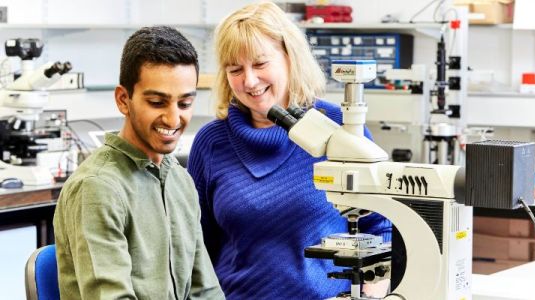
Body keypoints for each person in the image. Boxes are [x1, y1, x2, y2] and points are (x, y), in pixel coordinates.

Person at [187, 2, 391, 299]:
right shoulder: (211, 142)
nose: (250, 81)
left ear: (289, 57)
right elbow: (197, 248)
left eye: (259, 64)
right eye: (235, 69)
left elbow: (380, 226)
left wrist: (372, 294)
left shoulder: (341, 131)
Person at [53, 26, 224, 299]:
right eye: (157, 102)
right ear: (123, 100)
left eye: (184, 103)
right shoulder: (98, 188)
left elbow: (205, 290)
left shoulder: (180, 180)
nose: (173, 119)